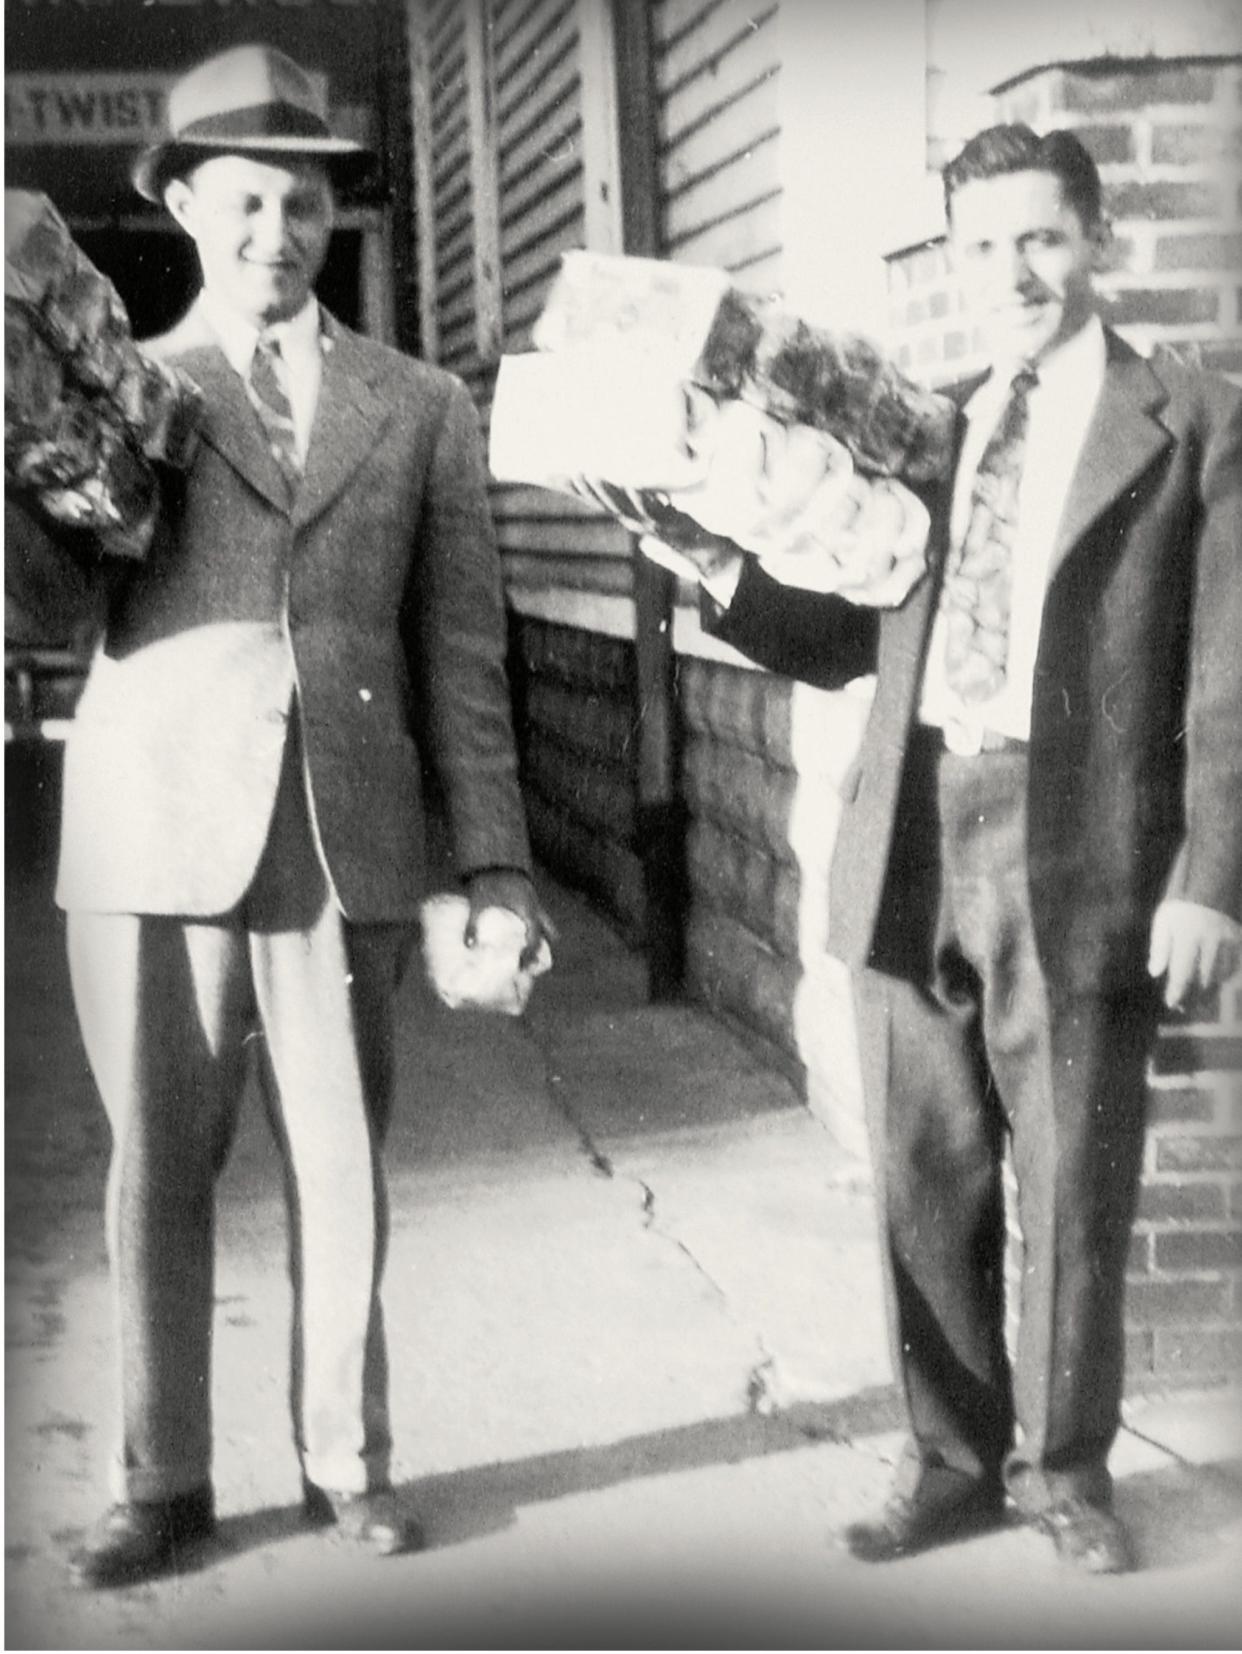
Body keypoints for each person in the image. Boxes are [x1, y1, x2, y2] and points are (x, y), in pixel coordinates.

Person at [18, 44, 546, 1587]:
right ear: (184, 205)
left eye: (302, 201)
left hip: (344, 834)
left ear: (330, 213)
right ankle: (158, 1479)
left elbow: (462, 650)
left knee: (344, 1161)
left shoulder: (422, 402)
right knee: (155, 1165)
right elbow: (53, 607)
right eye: (243, 199)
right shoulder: (123, 390)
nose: (274, 231)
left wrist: (493, 860)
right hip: (153, 822)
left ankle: (347, 1461)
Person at [681, 124, 1241, 1573]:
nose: (1016, 271)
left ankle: (1064, 1474)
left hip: (1077, 844)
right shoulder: (926, 423)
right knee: (921, 1172)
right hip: (908, 825)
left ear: (1096, 241)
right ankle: (945, 1459)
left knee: (1068, 1177)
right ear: (955, 261)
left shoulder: (1188, 421)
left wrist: (1210, 876)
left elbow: (1230, 676)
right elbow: (846, 635)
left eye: (1042, 237)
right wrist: (719, 568)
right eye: (985, 245)